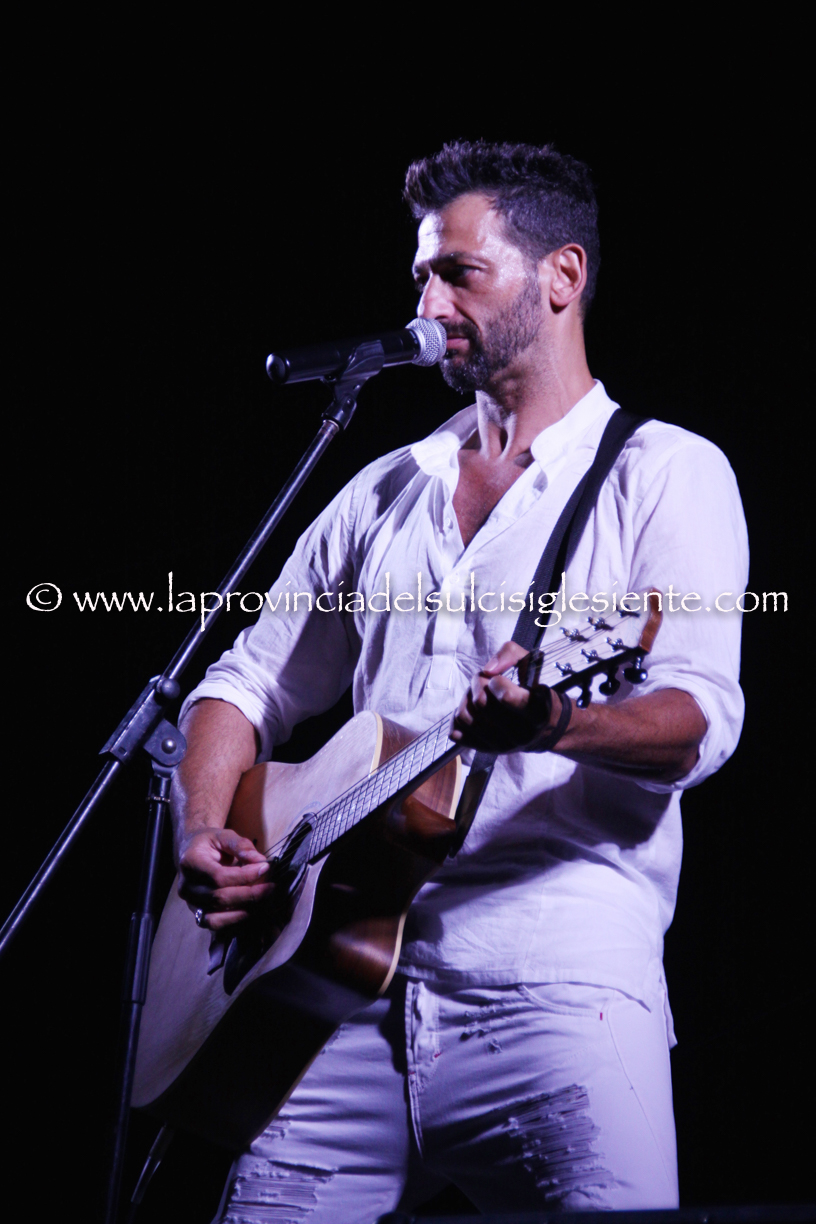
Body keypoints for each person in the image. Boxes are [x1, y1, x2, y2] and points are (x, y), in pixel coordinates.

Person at [171, 141, 748, 1220]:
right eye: (421, 277)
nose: (429, 305)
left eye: (459, 273)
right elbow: (240, 685)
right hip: (330, 999)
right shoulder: (386, 487)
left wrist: (556, 719)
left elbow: (697, 717)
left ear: (563, 276)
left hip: (554, 990)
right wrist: (204, 830)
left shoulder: (665, 472)